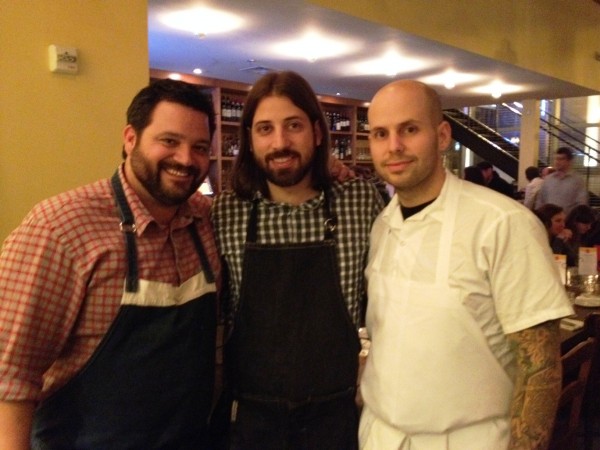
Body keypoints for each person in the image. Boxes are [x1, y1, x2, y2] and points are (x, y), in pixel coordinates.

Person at [0, 79, 220, 449]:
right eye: (169, 141)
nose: (185, 159)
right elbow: (10, 375)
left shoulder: (204, 218)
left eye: (199, 147)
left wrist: (330, 169)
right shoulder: (60, 227)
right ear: (130, 138)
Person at [359, 79, 573, 449]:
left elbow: (540, 369)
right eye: (381, 133)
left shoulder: (502, 223)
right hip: (380, 435)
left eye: (409, 129)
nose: (394, 146)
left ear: (442, 135)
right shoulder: (383, 226)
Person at [211, 71, 384, 449]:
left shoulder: (360, 201)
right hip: (251, 419)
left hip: (337, 416)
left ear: (317, 133)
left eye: (293, 126)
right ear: (250, 140)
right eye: (265, 129)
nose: (280, 142)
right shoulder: (225, 211)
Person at [535, 146, 588, 213]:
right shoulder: (548, 180)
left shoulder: (577, 181)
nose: (557, 162)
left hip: (568, 222)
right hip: (549, 221)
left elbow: (581, 204)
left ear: (569, 161)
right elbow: (540, 201)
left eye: (561, 159)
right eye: (556, 159)